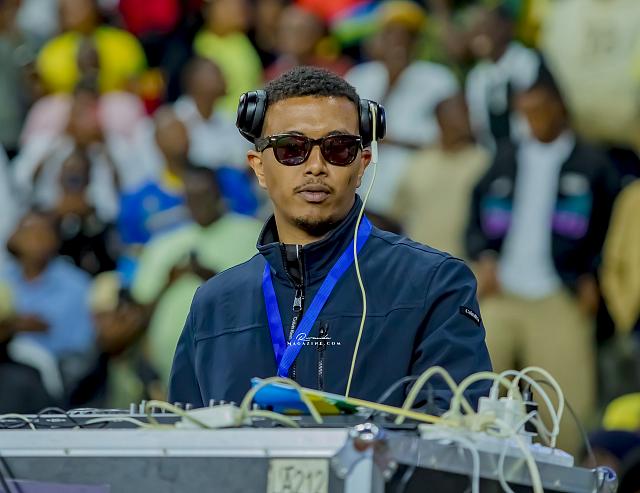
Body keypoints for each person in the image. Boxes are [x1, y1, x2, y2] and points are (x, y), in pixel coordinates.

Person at [169, 66, 491, 410]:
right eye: (291, 148)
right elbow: (184, 434)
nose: (315, 166)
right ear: (259, 167)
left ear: (362, 165)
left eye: (338, 149)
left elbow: (454, 428)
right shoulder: (213, 304)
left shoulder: (434, 283)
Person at [465, 76, 620, 454]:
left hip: (558, 293)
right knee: (473, 379)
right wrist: (484, 256)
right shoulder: (506, 156)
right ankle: (474, 459)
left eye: (539, 111)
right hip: (504, 291)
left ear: (559, 109)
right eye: (525, 112)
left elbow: (612, 226)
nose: (531, 120)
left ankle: (561, 466)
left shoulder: (592, 162)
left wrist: (593, 274)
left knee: (567, 399)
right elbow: (476, 209)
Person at [132, 165, 262, 388]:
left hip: (236, 371)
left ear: (218, 193)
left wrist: (211, 278)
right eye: (191, 197)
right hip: (168, 377)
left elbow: (264, 300)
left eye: (204, 195)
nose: (198, 203)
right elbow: (139, 311)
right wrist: (169, 281)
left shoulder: (253, 234)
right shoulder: (163, 244)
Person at [345, 0, 459, 215]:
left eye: (407, 35)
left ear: (417, 41)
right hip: (360, 186)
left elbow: (447, 140)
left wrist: (389, 139)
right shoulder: (361, 76)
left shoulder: (438, 79)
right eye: (390, 34)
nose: (398, 42)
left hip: (412, 188)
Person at [392, 93, 490, 259]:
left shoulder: (483, 162)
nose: (465, 121)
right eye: (458, 114)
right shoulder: (419, 162)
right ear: (440, 120)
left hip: (467, 265)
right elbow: (397, 214)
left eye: (466, 114)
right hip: (419, 263)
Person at [465, 3, 553, 149]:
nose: (480, 35)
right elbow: (478, 125)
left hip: (531, 148)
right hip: (493, 153)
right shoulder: (476, 77)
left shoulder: (528, 61)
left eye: (487, 27)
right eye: (475, 30)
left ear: (507, 27)